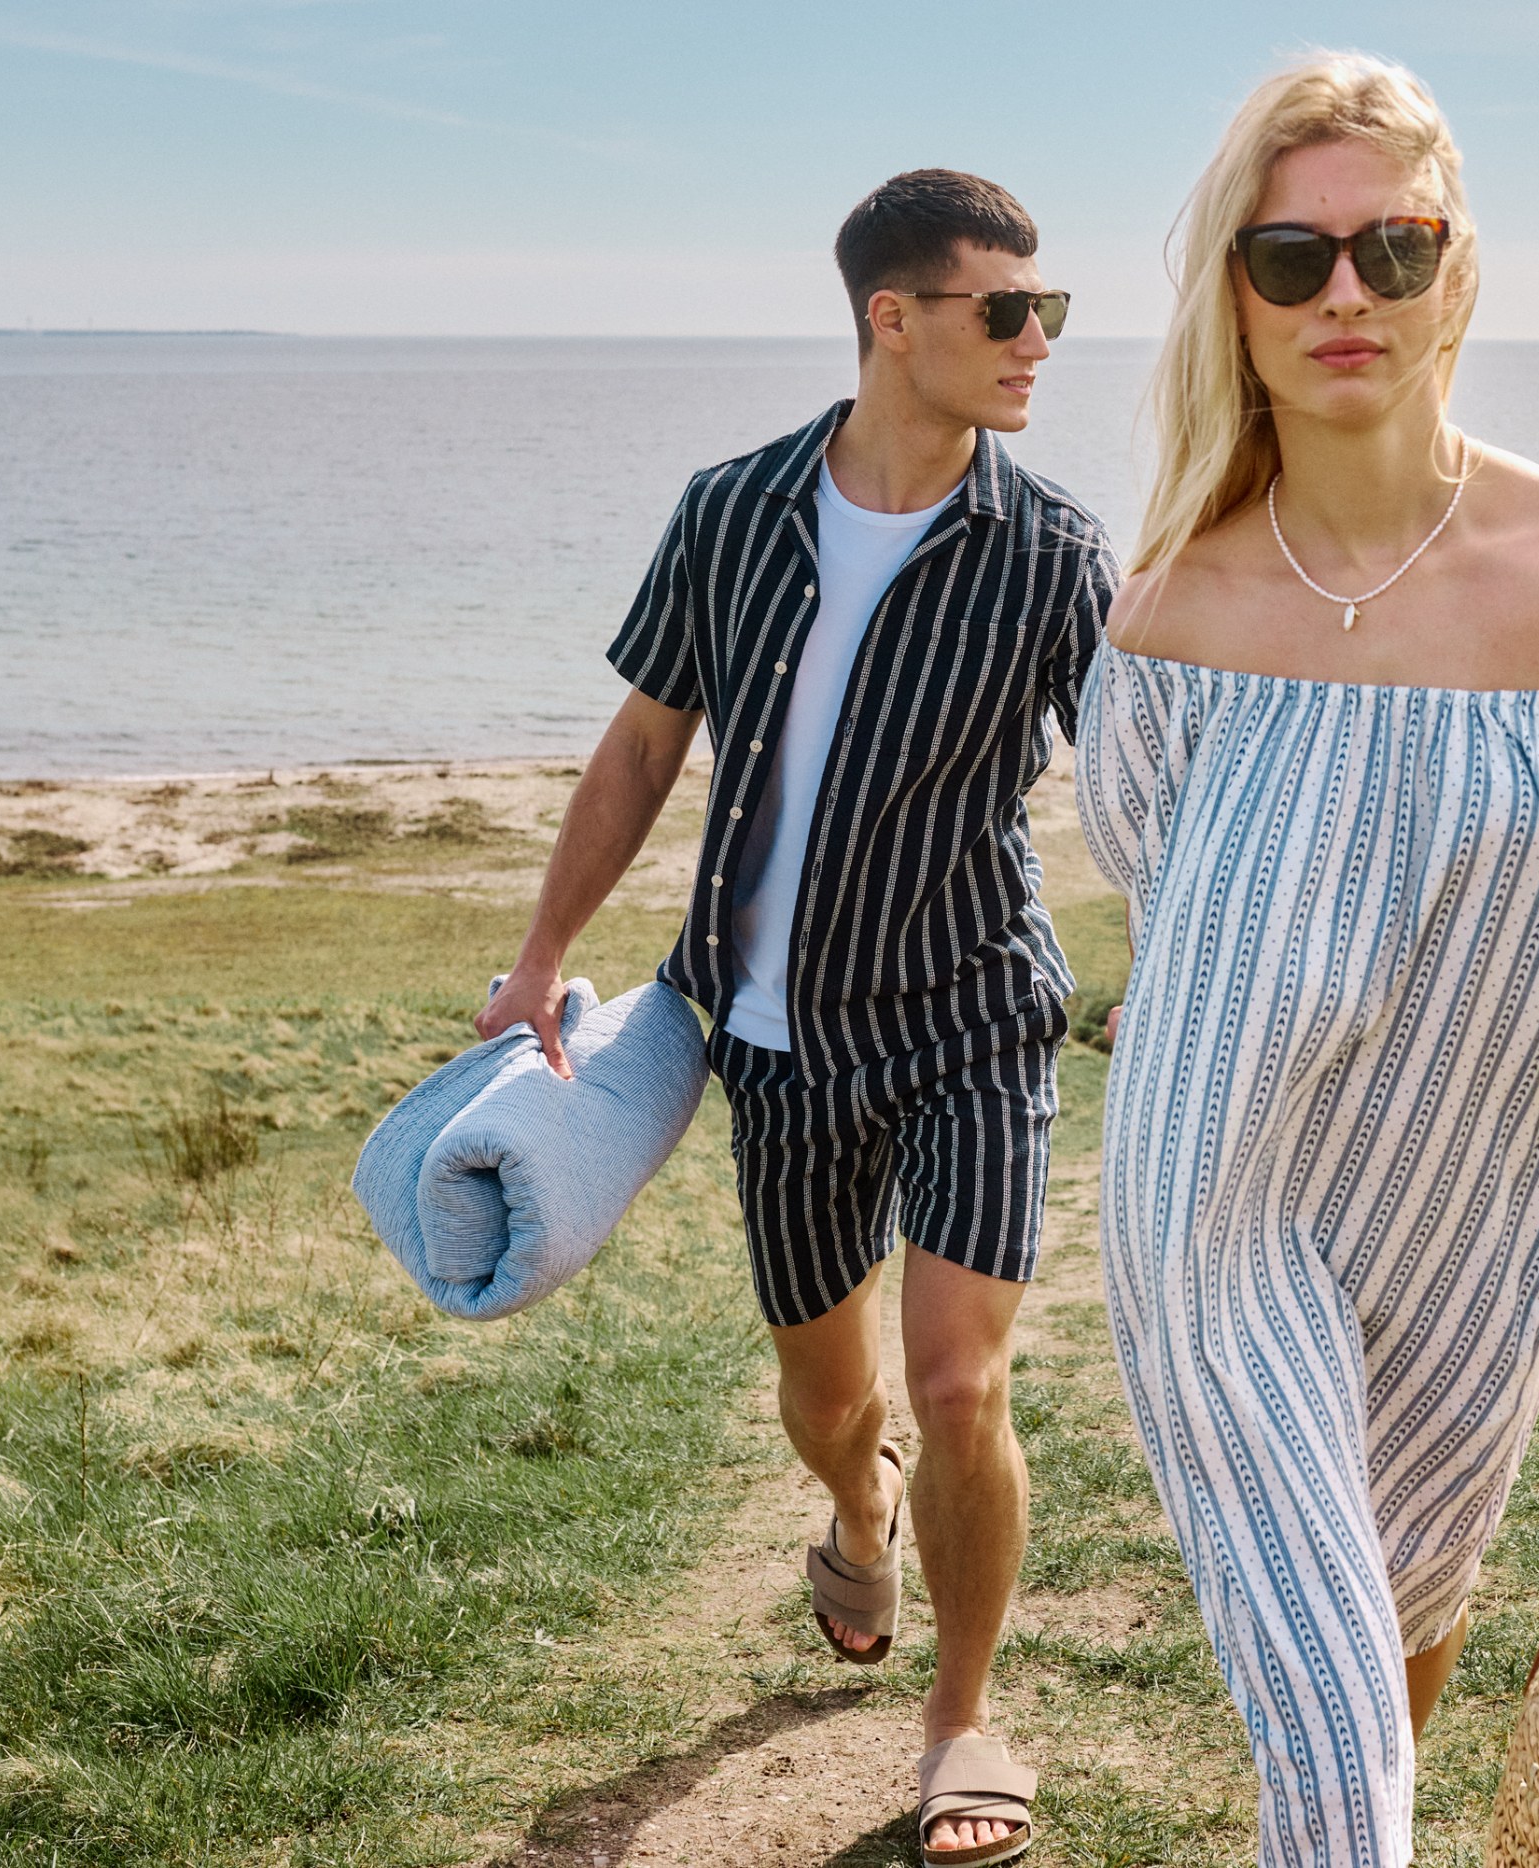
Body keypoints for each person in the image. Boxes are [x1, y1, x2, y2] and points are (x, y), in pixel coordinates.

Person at [1074, 56, 1539, 1868]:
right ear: (1231, 290)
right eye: (1292, 254)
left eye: (1395, 252)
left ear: (1457, 276)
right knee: (1325, 1739)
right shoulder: (1163, 609)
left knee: (1396, 1636)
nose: (1343, 297)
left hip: (1481, 1215)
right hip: (1215, 1206)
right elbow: (1176, 934)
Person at [478, 169, 1110, 1868]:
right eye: (1004, 310)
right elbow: (640, 745)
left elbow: (1145, 781)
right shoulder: (732, 510)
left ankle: (964, 1716)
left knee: (962, 1380)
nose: (1038, 340)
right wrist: (541, 955)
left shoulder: (1052, 552)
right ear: (891, 321)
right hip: (774, 1035)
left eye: (1051, 309)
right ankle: (858, 1508)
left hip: (974, 1009)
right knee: (836, 1404)